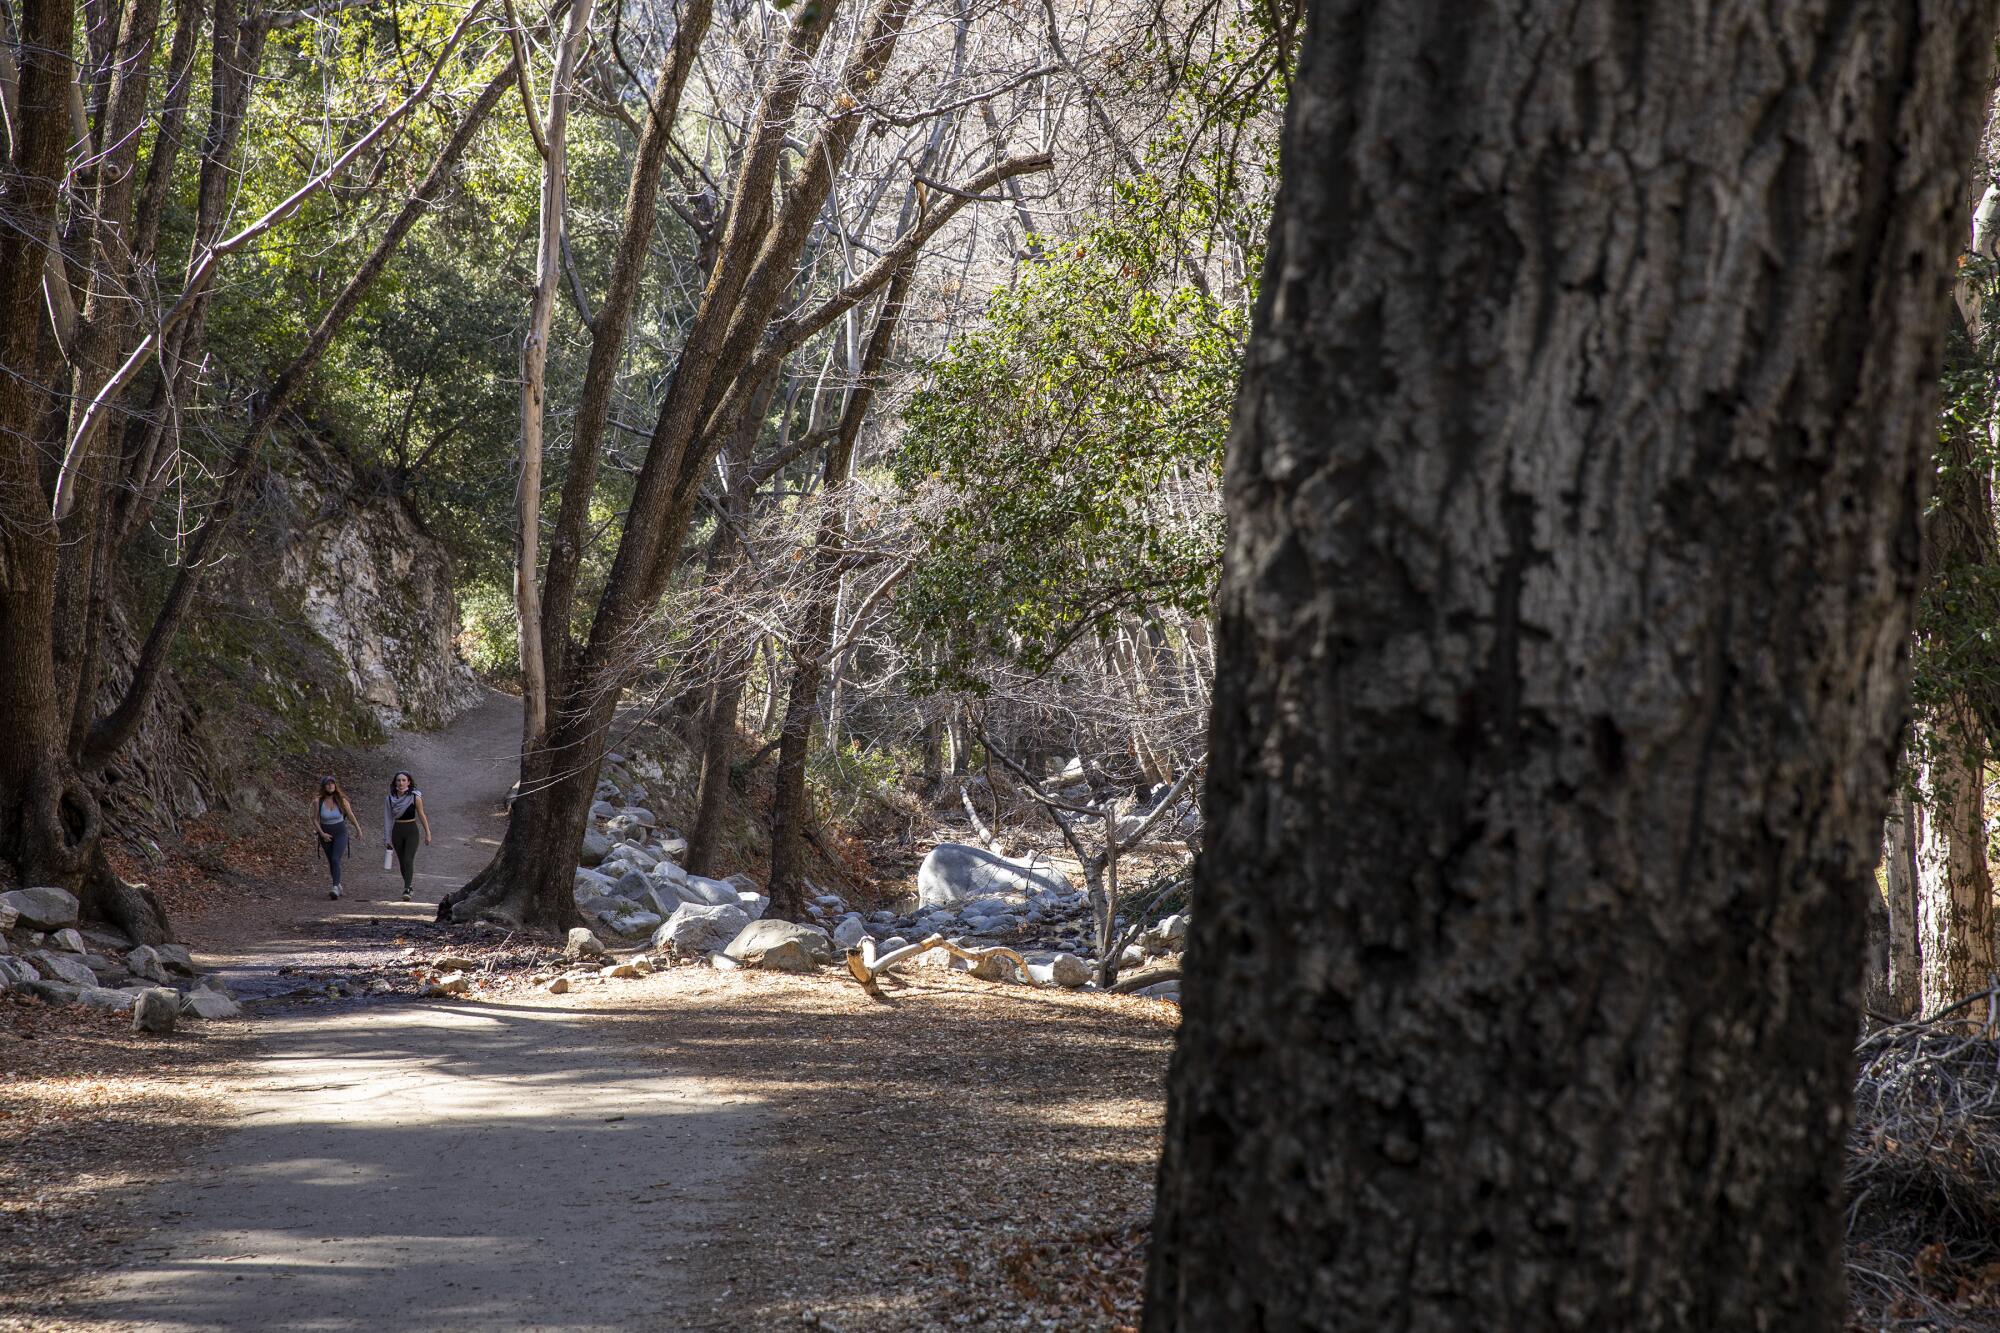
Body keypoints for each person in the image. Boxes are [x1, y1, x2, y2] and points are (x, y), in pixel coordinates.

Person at [384, 771, 433, 901]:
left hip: (411, 830)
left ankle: (407, 889)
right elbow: (388, 819)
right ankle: (409, 885)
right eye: (398, 780)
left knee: (408, 859)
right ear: (395, 783)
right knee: (401, 862)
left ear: (409, 782)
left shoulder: (415, 797)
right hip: (397, 831)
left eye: (404, 780)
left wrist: (428, 833)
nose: (401, 783)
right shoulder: (389, 799)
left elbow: (422, 815)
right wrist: (387, 838)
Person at [312, 775, 358, 900]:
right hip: (325, 833)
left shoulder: (342, 800)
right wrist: (322, 833)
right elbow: (315, 819)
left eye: (332, 784)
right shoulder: (318, 801)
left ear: (335, 786)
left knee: (335, 858)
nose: (330, 786)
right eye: (327, 784)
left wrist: (358, 829)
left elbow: (351, 815)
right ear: (323, 786)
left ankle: (335, 887)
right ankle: (337, 884)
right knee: (331, 861)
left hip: (340, 833)